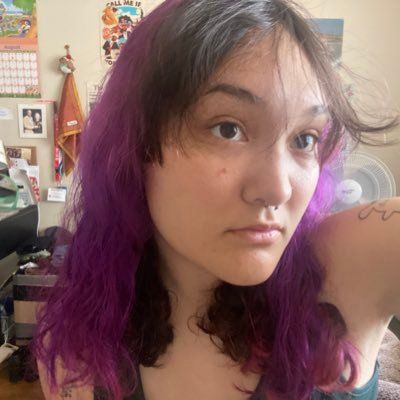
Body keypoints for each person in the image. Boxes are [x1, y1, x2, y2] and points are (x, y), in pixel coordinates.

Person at [33, 1, 400, 399]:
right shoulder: (77, 351)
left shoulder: (345, 263)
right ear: (134, 145)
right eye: (228, 129)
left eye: (304, 138)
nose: (278, 189)